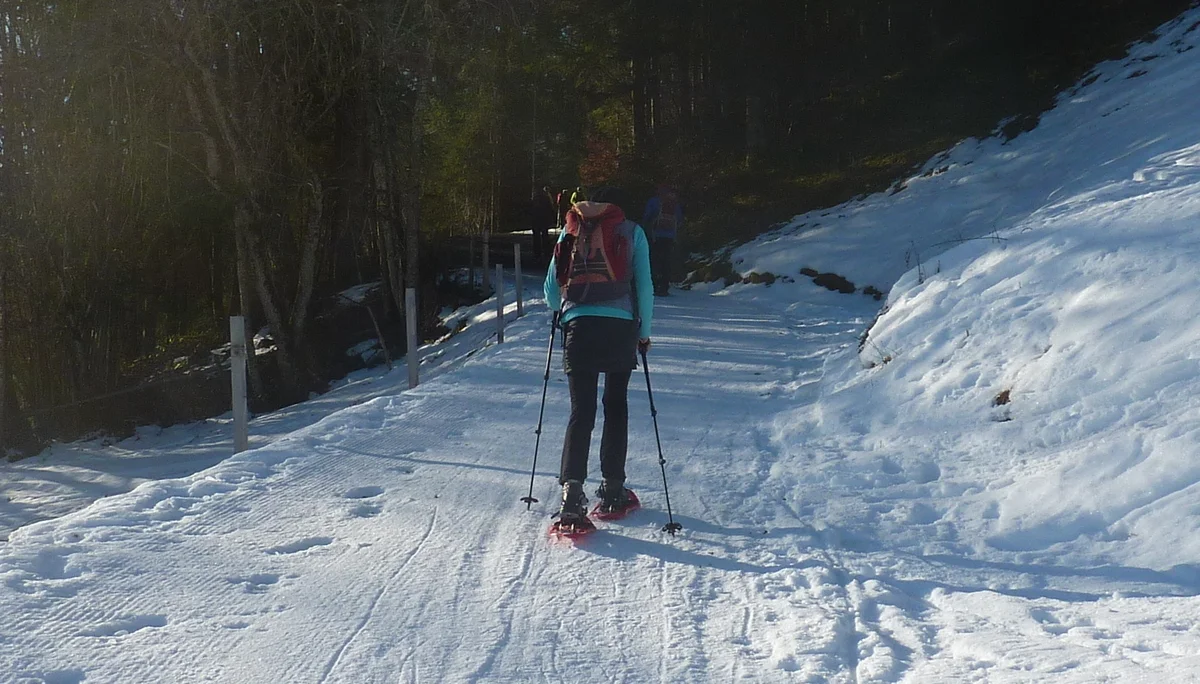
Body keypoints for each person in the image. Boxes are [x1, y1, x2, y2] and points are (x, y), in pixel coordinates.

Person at [543, 186, 653, 526]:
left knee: (582, 410)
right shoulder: (631, 231)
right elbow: (644, 287)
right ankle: (613, 489)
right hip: (620, 327)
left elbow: (551, 292)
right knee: (615, 406)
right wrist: (644, 332)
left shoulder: (570, 230)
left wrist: (570, 309)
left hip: (578, 327)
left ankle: (571, 495)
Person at [641, 184, 683, 296]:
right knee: (666, 261)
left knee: (654, 259)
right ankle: (664, 287)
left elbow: (647, 216)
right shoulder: (674, 203)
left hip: (655, 235)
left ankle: (654, 285)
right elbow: (679, 219)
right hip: (669, 237)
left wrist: (646, 227)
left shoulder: (653, 201)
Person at [529, 186, 557, 263]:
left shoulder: (534, 199)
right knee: (545, 236)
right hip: (544, 220)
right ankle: (546, 252)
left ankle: (537, 253)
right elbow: (550, 209)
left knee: (536, 237)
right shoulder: (546, 198)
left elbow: (529, 210)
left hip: (535, 220)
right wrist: (553, 218)